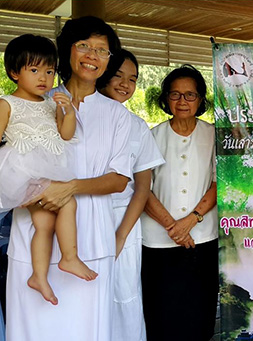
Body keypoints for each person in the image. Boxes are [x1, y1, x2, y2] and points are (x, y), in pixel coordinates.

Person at [6, 16, 132, 340]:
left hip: (93, 243)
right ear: (68, 51)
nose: (92, 55)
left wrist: (70, 188)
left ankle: (70, 257)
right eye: (84, 46)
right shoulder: (31, 99)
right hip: (33, 235)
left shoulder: (118, 115)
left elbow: (120, 180)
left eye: (102, 51)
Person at [0, 34, 98, 306]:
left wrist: (67, 112)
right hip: (21, 170)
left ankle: (38, 277)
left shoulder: (51, 102)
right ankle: (69, 257)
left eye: (49, 71)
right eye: (34, 70)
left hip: (47, 169)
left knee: (44, 224)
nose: (43, 77)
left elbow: (65, 135)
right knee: (67, 204)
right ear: (14, 73)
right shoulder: (7, 103)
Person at [140, 64, 218, 341]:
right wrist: (173, 226)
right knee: (161, 313)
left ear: (201, 100)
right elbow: (143, 189)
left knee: (200, 312)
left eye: (190, 95)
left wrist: (191, 220)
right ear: (165, 99)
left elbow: (218, 183)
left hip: (203, 237)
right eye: (175, 94)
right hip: (158, 241)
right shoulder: (150, 136)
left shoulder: (214, 135)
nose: (182, 101)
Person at [97, 49, 164, 341]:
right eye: (118, 75)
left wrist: (121, 235)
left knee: (123, 296)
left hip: (123, 219)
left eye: (133, 78)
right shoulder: (75, 116)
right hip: (80, 218)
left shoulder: (137, 126)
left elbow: (143, 187)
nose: (125, 84)